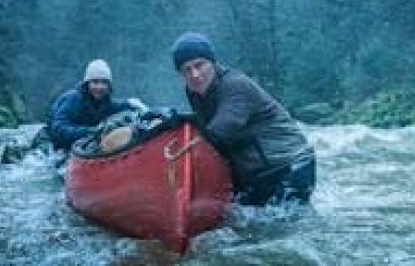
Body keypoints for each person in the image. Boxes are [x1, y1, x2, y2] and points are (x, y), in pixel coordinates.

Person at [170, 32, 316, 206]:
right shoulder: (194, 92)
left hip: (288, 167)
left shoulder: (236, 85)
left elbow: (219, 133)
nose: (195, 75)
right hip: (255, 172)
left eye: (199, 65)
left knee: (283, 226)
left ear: (213, 63)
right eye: (187, 70)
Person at [48, 59, 148, 150]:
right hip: (50, 145)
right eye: (95, 82)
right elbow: (58, 129)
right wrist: (92, 131)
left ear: (109, 85)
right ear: (87, 83)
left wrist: (133, 104)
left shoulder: (106, 103)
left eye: (104, 82)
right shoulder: (73, 100)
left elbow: (118, 106)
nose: (100, 87)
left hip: (78, 144)